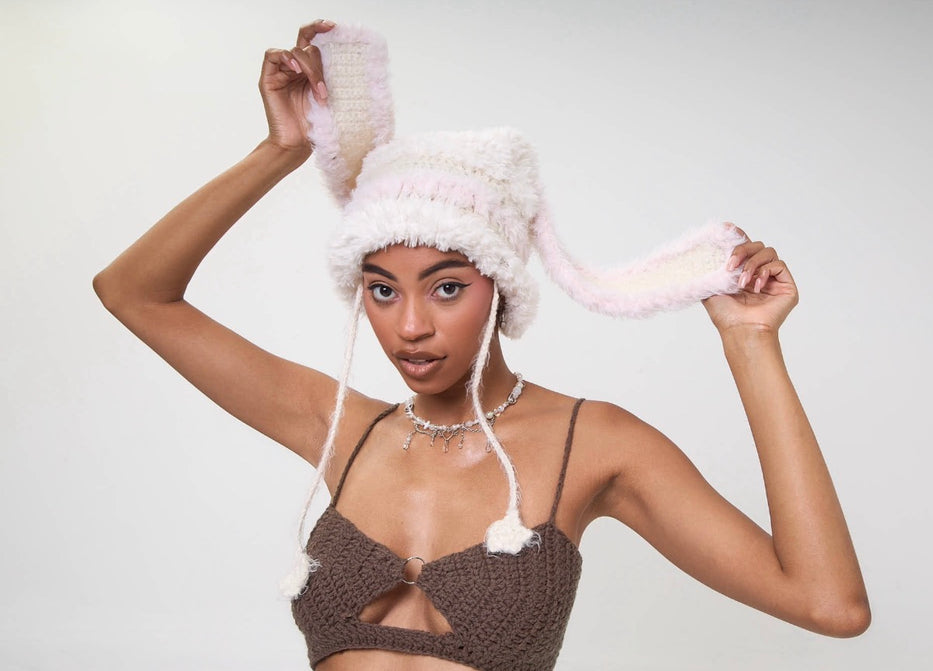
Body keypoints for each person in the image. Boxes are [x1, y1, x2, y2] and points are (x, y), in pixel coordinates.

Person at [93, 19, 869, 671]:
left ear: (499, 282)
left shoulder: (591, 443)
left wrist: (750, 341)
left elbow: (828, 603)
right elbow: (133, 292)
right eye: (382, 287)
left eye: (447, 285)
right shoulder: (340, 427)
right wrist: (281, 150)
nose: (410, 325)